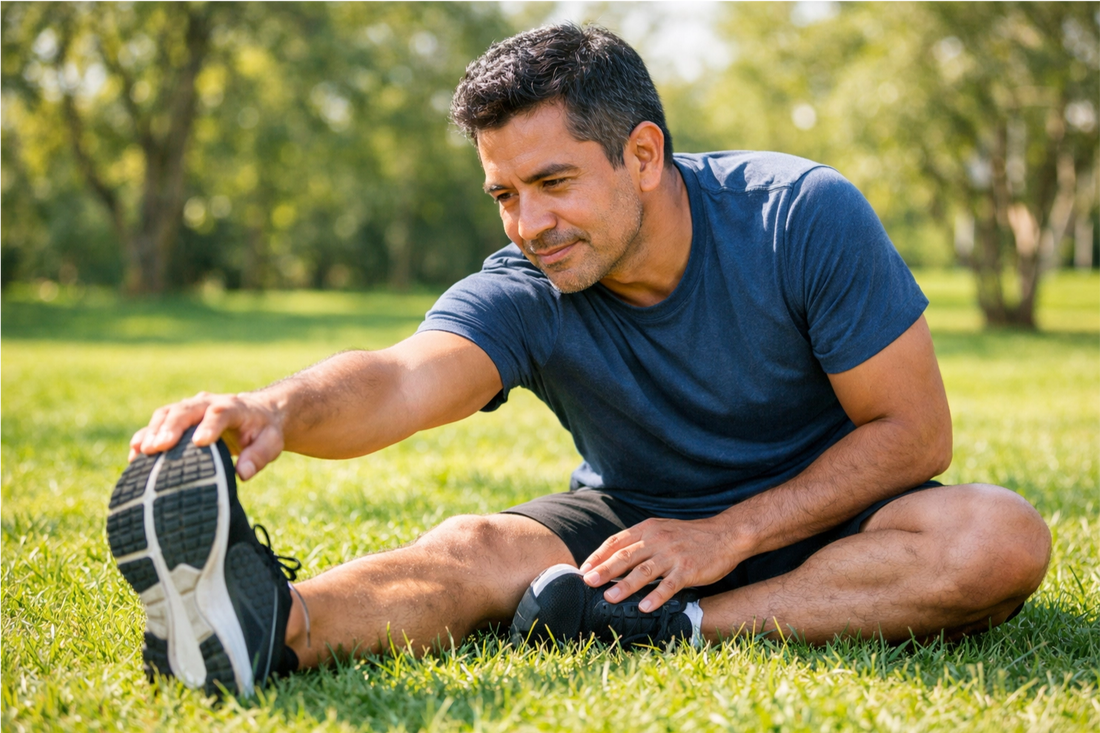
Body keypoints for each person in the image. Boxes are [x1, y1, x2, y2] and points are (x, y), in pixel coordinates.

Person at [105, 23, 1051, 697]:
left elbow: (915, 432)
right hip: (632, 519)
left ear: (643, 154)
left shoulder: (797, 215)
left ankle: (675, 627)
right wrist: (277, 407)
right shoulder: (529, 283)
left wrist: (730, 535)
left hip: (838, 515)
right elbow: (403, 375)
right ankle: (268, 627)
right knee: (476, 549)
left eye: (554, 182)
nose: (531, 225)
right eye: (505, 194)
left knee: (999, 538)